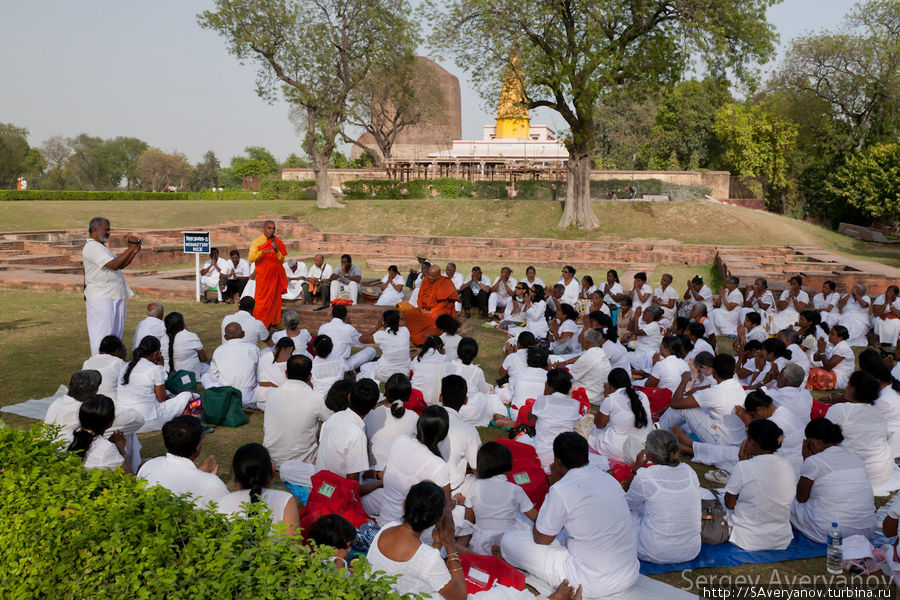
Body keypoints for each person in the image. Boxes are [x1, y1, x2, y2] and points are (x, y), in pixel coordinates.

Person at [501, 432, 639, 594]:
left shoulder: (562, 488)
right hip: (629, 573)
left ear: (557, 462)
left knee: (508, 540)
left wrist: (553, 484)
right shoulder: (609, 480)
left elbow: (541, 539)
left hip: (591, 581)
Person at [790, 418, 876, 543]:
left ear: (813, 442)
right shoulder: (855, 458)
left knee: (787, 500)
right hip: (867, 530)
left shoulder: (814, 461)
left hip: (830, 531)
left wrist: (806, 460)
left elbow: (801, 498)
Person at [623, 430, 702, 564]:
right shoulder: (689, 471)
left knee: (624, 513)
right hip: (691, 550)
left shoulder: (645, 476)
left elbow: (626, 506)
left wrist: (636, 469)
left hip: (654, 552)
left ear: (650, 453)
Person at [46, 369, 144, 471]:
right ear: (94, 395)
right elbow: (138, 419)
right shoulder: (89, 412)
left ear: (68, 384)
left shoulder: (56, 403)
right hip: (82, 448)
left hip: (58, 451)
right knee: (126, 433)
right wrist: (121, 451)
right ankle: (134, 465)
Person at [723, 419, 796, 551]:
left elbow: (729, 504)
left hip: (747, 538)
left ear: (753, 442)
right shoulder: (787, 465)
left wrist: (743, 465)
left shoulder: (744, 466)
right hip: (780, 538)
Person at [826, 371, 900, 495]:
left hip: (858, 473)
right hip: (882, 472)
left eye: (848, 384)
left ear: (853, 388)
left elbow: (824, 438)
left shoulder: (840, 410)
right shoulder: (878, 413)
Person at [377, 405, 452, 527]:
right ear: (443, 434)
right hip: (410, 531)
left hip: (384, 520)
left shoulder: (400, 440)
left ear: (419, 424)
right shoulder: (438, 465)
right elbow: (446, 508)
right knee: (463, 516)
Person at [137, 415, 229, 509]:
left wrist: (201, 474)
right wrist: (209, 478)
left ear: (165, 443)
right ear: (198, 446)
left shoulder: (148, 466)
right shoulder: (212, 483)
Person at [464, 442, 538, 555]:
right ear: (508, 467)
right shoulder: (515, 489)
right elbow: (535, 518)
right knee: (524, 521)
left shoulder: (474, 486)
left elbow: (468, 521)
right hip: (508, 544)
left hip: (480, 544)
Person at [658, 354, 746, 447]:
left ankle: (657, 431)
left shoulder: (716, 392)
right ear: (734, 371)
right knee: (698, 405)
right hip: (736, 440)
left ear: (714, 371)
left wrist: (684, 381)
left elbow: (675, 404)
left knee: (686, 408)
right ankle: (670, 429)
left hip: (722, 441)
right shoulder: (736, 384)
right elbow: (703, 389)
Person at [82, 217, 140, 355]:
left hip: (114, 294)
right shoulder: (91, 246)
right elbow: (114, 265)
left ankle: (112, 365)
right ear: (95, 230)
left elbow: (120, 265)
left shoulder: (101, 247)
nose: (109, 232)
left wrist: (133, 251)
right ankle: (98, 368)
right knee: (102, 337)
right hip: (101, 297)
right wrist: (130, 249)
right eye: (106, 229)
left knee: (115, 337)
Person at [216, 443, 300, 537]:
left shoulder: (222, 502)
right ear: (271, 469)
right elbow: (294, 547)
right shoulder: (285, 500)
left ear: (235, 474)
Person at [263, 355, 332, 467]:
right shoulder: (316, 397)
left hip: (272, 460)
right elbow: (332, 421)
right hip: (303, 462)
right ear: (310, 376)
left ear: (286, 373)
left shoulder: (272, 394)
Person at [117, 336, 194, 430]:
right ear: (156, 354)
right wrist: (161, 368)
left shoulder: (125, 366)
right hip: (148, 421)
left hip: (125, 422)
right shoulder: (156, 369)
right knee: (187, 395)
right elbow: (161, 398)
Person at [588, 368, 652, 464]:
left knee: (593, 434)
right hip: (644, 445)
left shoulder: (610, 399)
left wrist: (606, 395)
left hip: (621, 449)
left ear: (611, 386)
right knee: (612, 427)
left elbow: (599, 425)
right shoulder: (642, 395)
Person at [527, 369, 582, 471]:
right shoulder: (575, 404)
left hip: (542, 455)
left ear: (549, 385)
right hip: (565, 457)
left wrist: (545, 393)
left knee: (521, 439)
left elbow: (530, 420)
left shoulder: (543, 400)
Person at [365, 373, 418, 471]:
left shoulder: (370, 415)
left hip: (373, 474)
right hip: (401, 475)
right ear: (408, 395)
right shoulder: (414, 417)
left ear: (385, 390)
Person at [66, 395, 130, 472]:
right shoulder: (106, 448)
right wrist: (121, 452)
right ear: (111, 423)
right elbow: (131, 479)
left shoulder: (67, 437)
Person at [401, 265, 460, 346]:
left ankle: (426, 341)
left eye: (433, 276)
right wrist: (421, 308)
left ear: (439, 275)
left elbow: (444, 303)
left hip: (440, 309)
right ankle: (413, 338)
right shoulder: (426, 280)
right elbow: (420, 296)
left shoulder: (446, 282)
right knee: (410, 314)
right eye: (429, 275)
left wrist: (431, 311)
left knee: (432, 318)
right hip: (424, 308)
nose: (430, 277)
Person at [205, 323, 261, 407]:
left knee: (205, 377)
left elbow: (213, 376)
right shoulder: (253, 348)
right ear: (243, 333)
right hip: (248, 397)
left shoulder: (219, 350)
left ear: (225, 337)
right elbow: (260, 373)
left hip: (226, 395)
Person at [248, 220, 288, 328]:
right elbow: (251, 258)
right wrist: (262, 252)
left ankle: (271, 323)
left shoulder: (277, 242)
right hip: (263, 276)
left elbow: (281, 259)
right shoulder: (257, 242)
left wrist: (276, 251)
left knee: (274, 300)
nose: (272, 230)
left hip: (274, 276)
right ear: (264, 229)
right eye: (270, 228)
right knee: (261, 300)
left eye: (274, 228)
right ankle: (259, 322)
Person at [554, 328, 610, 405]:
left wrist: (556, 369)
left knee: (558, 383)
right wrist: (565, 363)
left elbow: (567, 377)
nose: (581, 341)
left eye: (583, 338)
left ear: (587, 341)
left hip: (589, 396)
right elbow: (581, 357)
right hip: (598, 394)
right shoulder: (599, 351)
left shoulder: (588, 356)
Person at [318, 304, 377, 371]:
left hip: (323, 362)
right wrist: (377, 327)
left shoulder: (322, 328)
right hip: (342, 365)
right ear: (346, 317)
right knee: (371, 350)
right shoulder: (348, 328)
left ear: (332, 315)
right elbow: (361, 343)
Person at [359, 309, 411, 382]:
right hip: (404, 374)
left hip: (386, 374)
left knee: (364, 367)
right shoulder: (405, 330)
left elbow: (361, 339)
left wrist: (377, 326)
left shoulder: (382, 335)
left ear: (384, 322)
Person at [163, 312, 208, 381]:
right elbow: (203, 358)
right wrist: (187, 330)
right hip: (190, 376)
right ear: (182, 324)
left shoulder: (162, 340)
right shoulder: (191, 336)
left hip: (168, 376)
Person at [809, 325, 855, 390]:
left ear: (840, 337)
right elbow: (815, 359)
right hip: (829, 372)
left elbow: (828, 366)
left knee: (815, 373)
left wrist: (822, 351)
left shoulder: (843, 347)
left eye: (832, 334)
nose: (829, 335)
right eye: (830, 333)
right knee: (808, 369)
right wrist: (819, 349)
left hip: (839, 377)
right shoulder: (831, 344)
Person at [82, 335, 127, 400]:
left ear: (99, 349)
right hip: (111, 406)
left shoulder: (87, 362)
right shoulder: (119, 363)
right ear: (117, 351)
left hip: (88, 405)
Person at [255, 337, 293, 409]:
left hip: (261, 399)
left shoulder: (265, 356)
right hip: (281, 399)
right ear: (290, 349)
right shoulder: (291, 361)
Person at [410, 335, 447, 406]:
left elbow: (411, 375)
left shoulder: (416, 358)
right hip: (436, 401)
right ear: (439, 347)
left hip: (416, 398)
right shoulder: (445, 358)